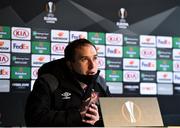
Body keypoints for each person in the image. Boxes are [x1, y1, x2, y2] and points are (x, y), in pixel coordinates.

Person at [25, 39, 111, 127]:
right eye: (84, 59)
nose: (92, 65)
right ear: (70, 64)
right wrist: (77, 116)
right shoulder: (49, 82)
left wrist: (98, 121)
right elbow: (34, 119)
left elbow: (112, 118)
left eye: (95, 58)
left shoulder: (100, 83)